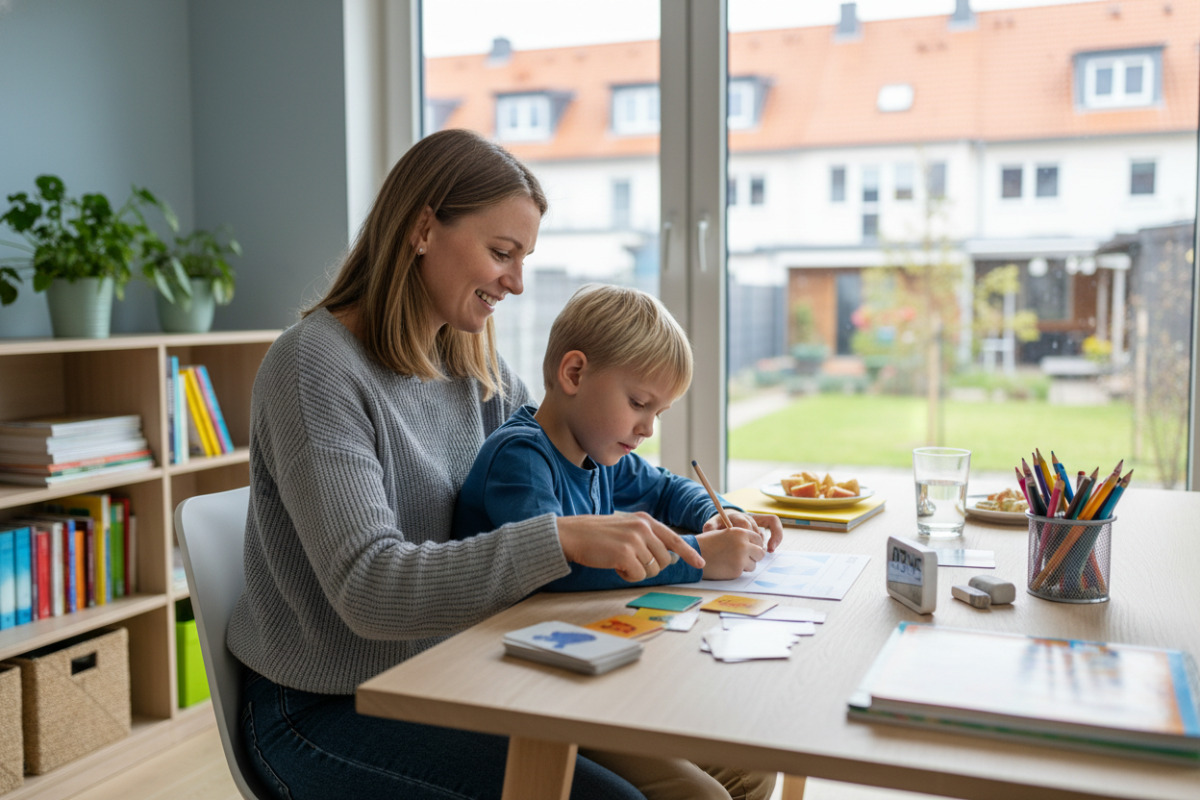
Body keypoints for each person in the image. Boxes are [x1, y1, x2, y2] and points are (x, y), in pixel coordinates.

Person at [224, 128, 750, 800]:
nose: (517, 283)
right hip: (324, 708)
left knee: (736, 767)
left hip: (457, 672)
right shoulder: (314, 368)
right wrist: (561, 538)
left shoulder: (474, 368)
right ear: (422, 229)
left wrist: (707, 516)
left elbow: (585, 466)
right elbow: (368, 589)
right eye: (502, 253)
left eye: (523, 258)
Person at [452, 283, 784, 800]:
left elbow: (667, 489)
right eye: (638, 403)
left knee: (755, 769)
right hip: (523, 685)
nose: (647, 428)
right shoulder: (520, 459)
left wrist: (718, 515)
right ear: (574, 374)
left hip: (585, 667)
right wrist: (698, 559)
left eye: (659, 413)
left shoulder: (598, 452)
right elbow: (553, 569)